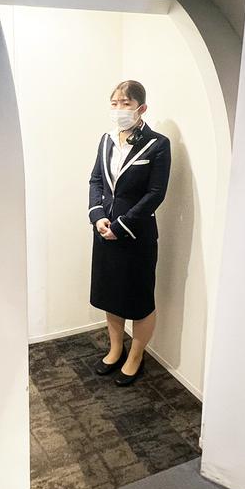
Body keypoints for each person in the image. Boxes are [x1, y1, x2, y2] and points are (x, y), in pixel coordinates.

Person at [87, 80, 171, 386]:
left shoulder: (157, 144)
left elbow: (155, 193)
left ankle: (135, 356)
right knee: (111, 296)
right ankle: (115, 349)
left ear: (141, 108)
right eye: (115, 103)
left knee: (139, 299)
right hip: (104, 232)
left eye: (126, 103)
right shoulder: (106, 140)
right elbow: (96, 180)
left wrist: (122, 224)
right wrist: (97, 216)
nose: (119, 109)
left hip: (135, 236)